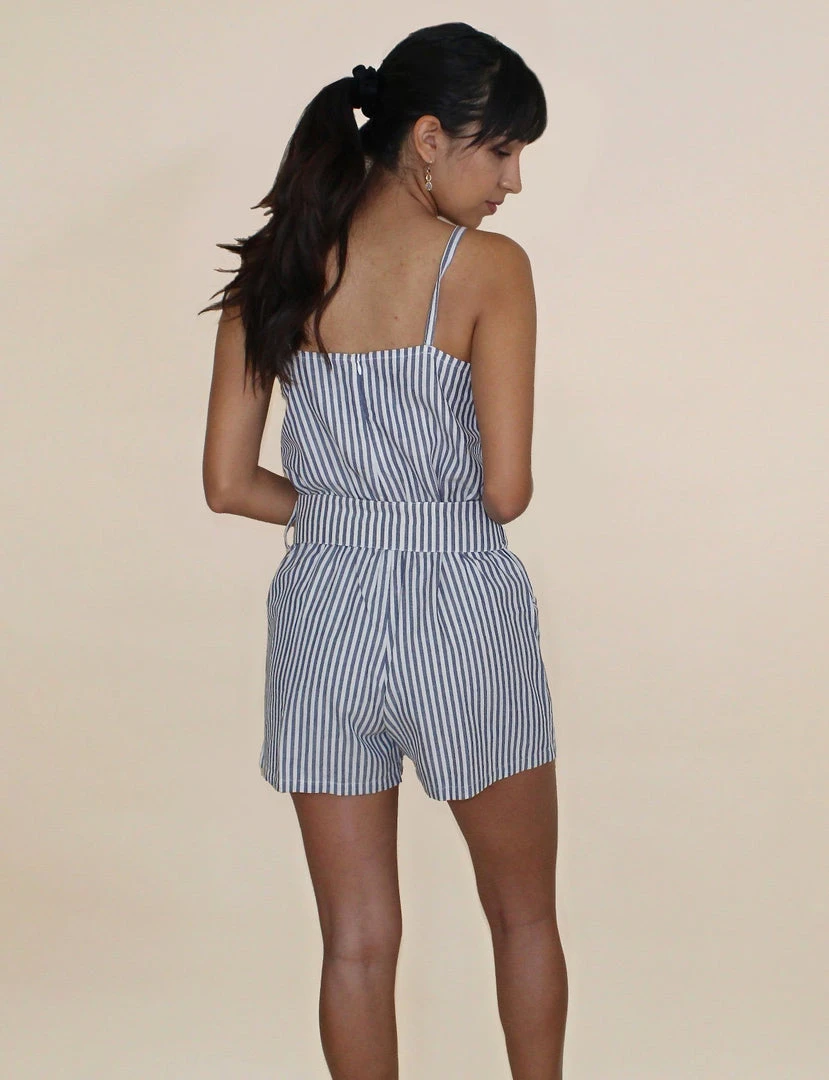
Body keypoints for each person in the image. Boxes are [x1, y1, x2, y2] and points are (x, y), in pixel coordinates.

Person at [200, 21, 568, 1080]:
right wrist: (413, 512)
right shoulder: (486, 269)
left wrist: (343, 513)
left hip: (322, 614)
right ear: (427, 138)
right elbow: (504, 492)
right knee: (521, 917)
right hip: (459, 609)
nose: (512, 182)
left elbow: (228, 484)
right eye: (501, 151)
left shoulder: (274, 274)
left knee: (355, 945)